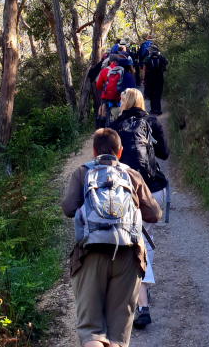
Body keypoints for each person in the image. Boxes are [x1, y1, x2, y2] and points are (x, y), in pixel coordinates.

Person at [62, 128, 162, 347]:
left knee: (92, 331)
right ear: (120, 151)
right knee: (117, 335)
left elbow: (68, 208)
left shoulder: (82, 172)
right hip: (129, 256)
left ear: (94, 151)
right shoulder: (131, 174)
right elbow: (155, 214)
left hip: (91, 255)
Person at [111, 88, 169, 329]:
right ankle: (144, 299)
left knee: (132, 242)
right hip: (152, 188)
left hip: (124, 190)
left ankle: (141, 298)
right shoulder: (151, 121)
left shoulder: (114, 124)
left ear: (124, 103)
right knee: (145, 239)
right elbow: (165, 154)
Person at [143, 45, 168, 116]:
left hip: (149, 79)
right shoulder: (162, 58)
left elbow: (144, 69)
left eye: (150, 50)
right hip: (159, 78)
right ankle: (158, 110)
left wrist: (143, 79)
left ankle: (153, 110)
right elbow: (166, 64)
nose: (149, 51)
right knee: (158, 94)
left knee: (151, 94)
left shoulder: (147, 58)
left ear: (152, 50)